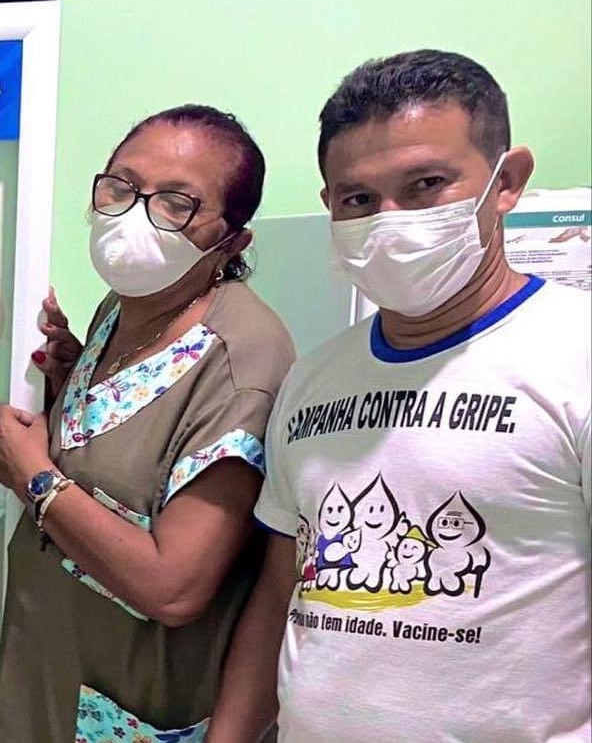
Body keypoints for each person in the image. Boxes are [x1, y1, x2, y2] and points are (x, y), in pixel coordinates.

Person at [208, 50, 591, 743]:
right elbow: (281, 594)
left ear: (506, 182)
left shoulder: (576, 354)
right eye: (358, 199)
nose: (389, 220)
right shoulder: (314, 377)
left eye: (426, 185)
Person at [0, 105, 295, 742]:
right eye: (121, 187)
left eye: (177, 204)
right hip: (51, 670)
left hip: (131, 703)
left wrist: (34, 478)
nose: (133, 216)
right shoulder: (124, 308)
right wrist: (70, 378)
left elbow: (174, 588)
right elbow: (124, 451)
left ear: (231, 242)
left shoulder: (241, 362)